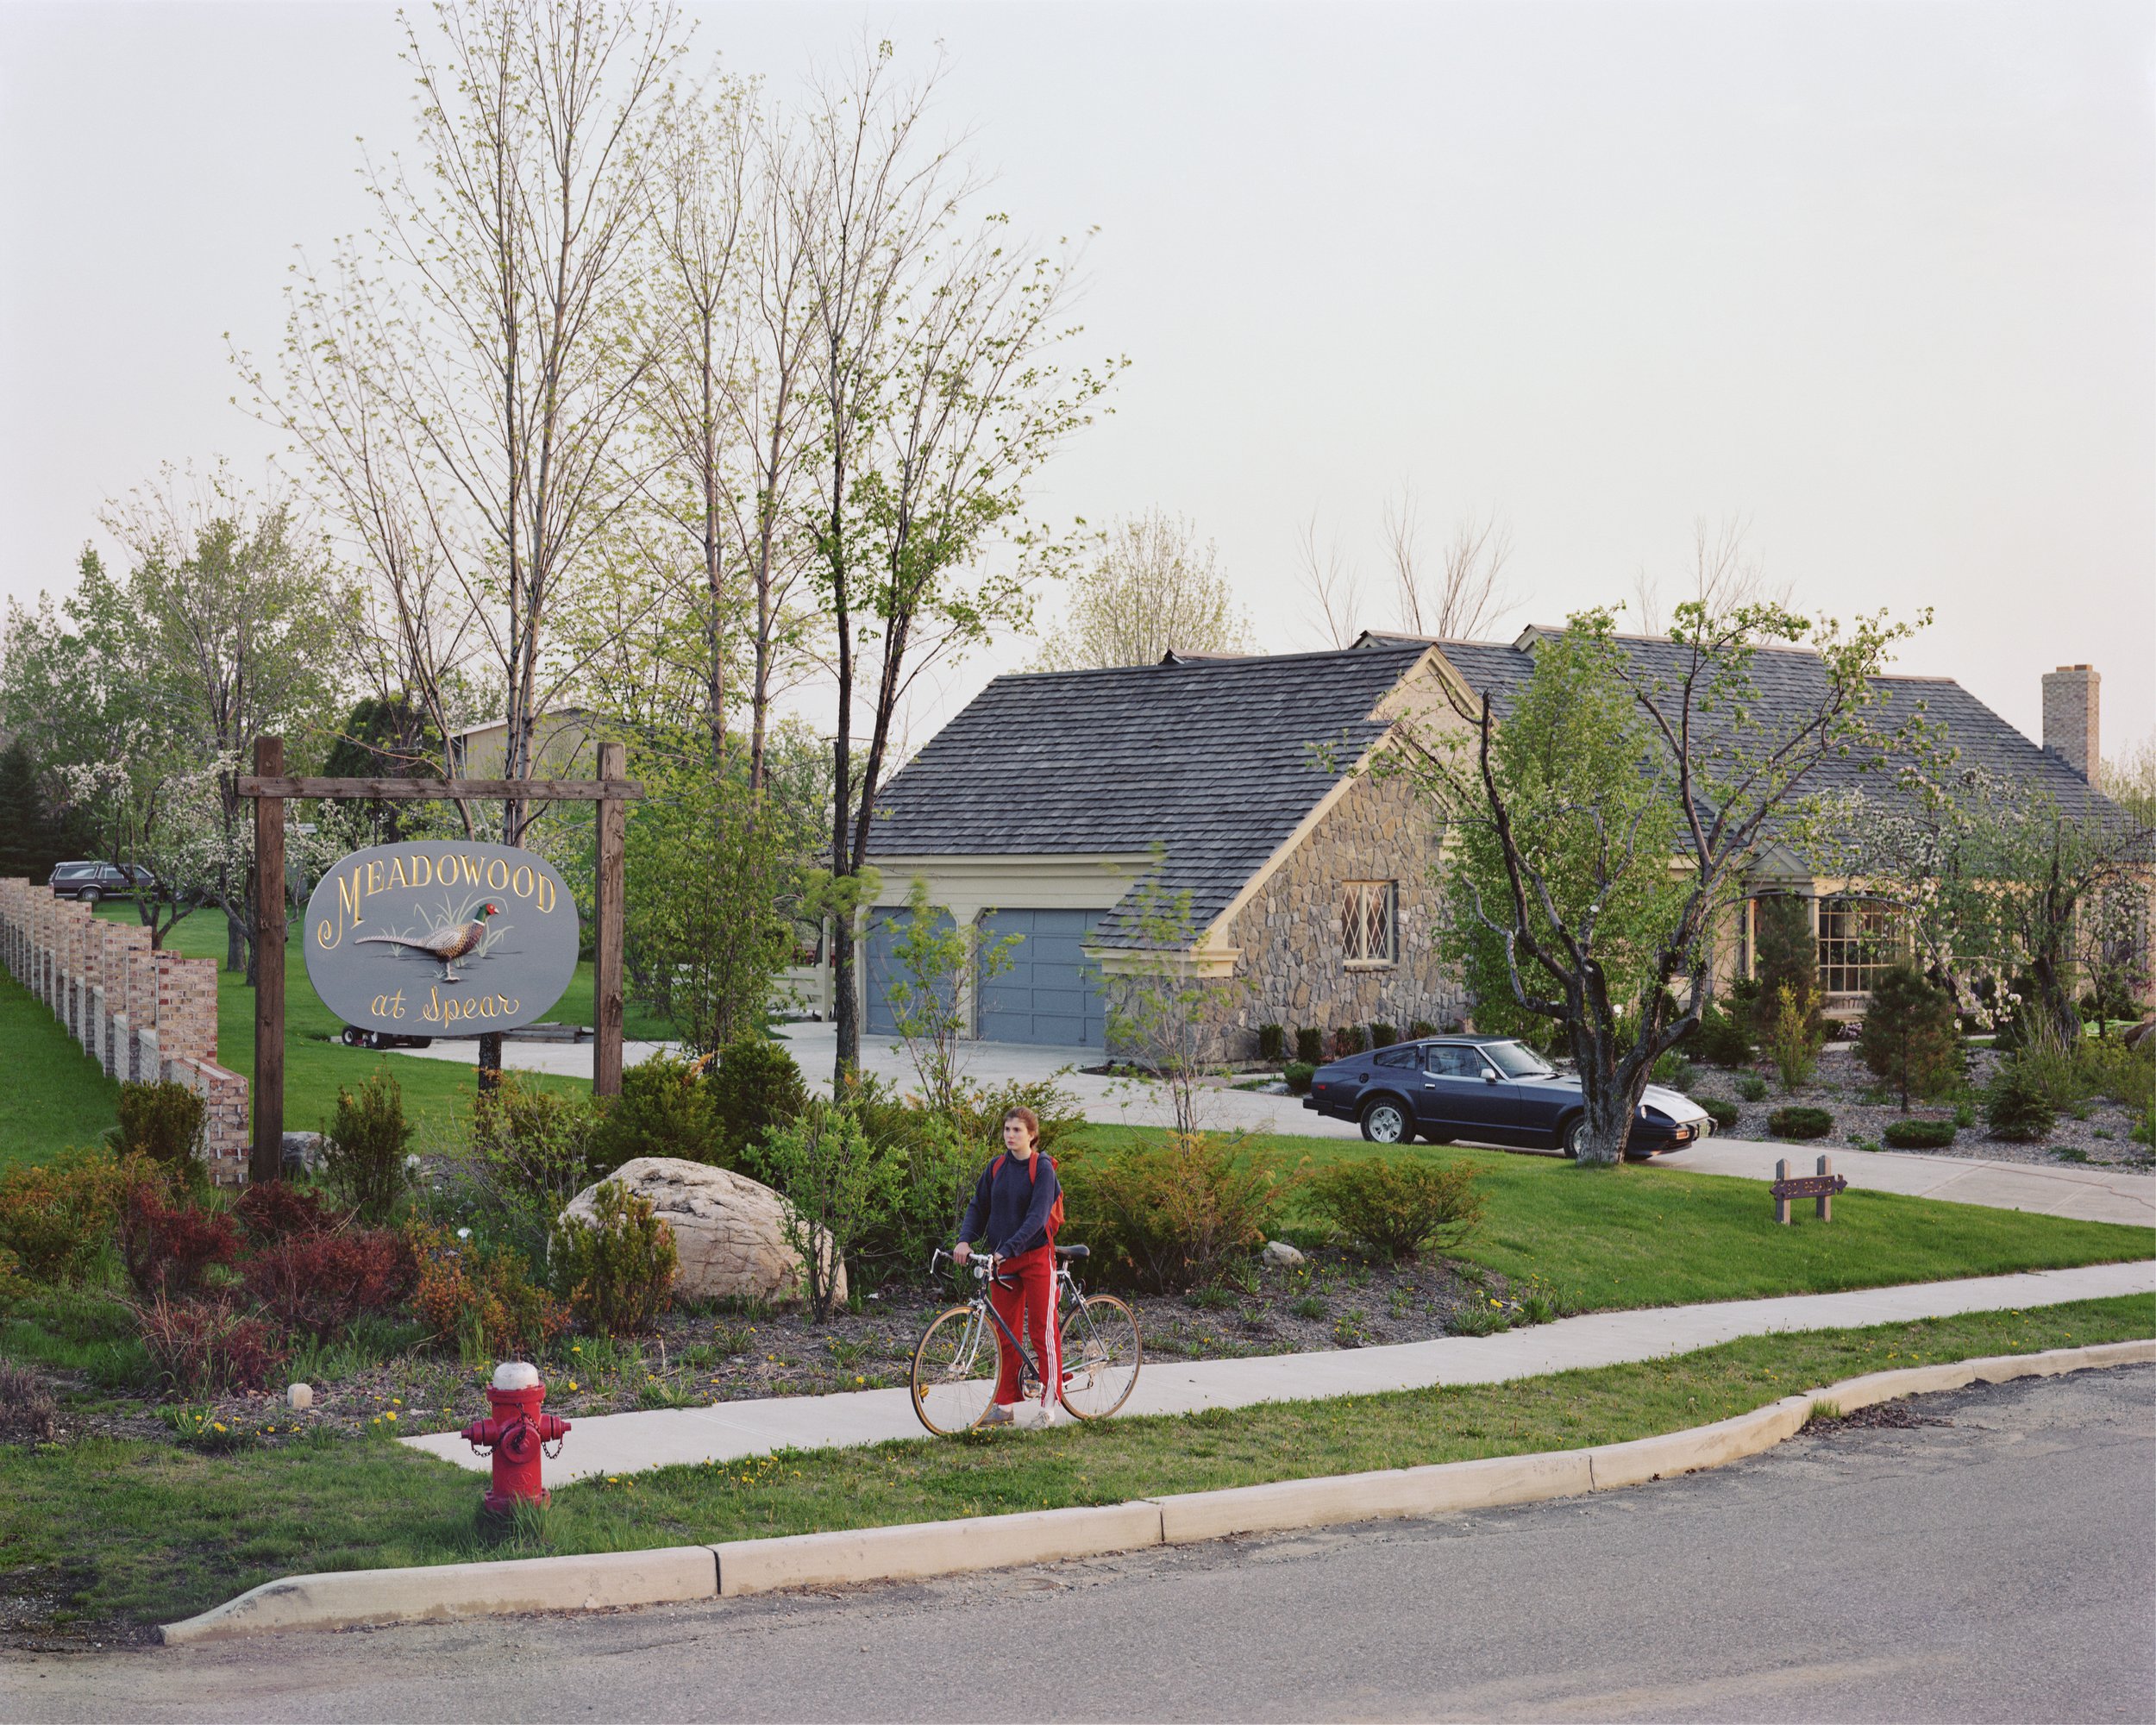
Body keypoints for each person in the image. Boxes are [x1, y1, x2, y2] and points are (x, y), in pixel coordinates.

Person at [953, 1106, 1062, 1426]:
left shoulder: (1041, 1169)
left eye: (1017, 1130)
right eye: (1007, 1129)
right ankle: (1005, 1406)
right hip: (1003, 1260)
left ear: (1032, 1134)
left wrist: (1009, 1248)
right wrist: (964, 1239)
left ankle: (1049, 1405)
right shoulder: (996, 1167)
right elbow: (978, 1206)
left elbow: (1037, 1219)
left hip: (1036, 1257)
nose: (1010, 1135)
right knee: (1005, 1332)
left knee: (1042, 1331)